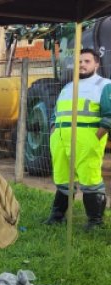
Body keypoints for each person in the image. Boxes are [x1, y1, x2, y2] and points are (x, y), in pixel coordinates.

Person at [45, 48, 111, 230]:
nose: (82, 65)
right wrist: (53, 131)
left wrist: (95, 138)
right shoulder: (68, 87)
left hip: (87, 140)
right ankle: (57, 216)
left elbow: (109, 115)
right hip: (60, 140)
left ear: (96, 64)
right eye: (79, 61)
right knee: (63, 179)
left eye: (87, 61)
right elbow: (56, 113)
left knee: (90, 180)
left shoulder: (104, 85)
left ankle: (95, 222)